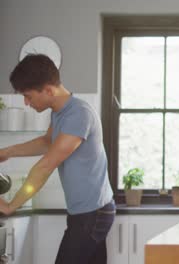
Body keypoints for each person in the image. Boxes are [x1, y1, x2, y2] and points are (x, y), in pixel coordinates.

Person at [0, 54, 115, 264]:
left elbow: (45, 166)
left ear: (48, 91)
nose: (26, 103)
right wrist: (8, 151)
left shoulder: (79, 114)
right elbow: (48, 141)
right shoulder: (59, 112)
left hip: (93, 214)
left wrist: (11, 205)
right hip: (88, 212)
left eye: (28, 96)